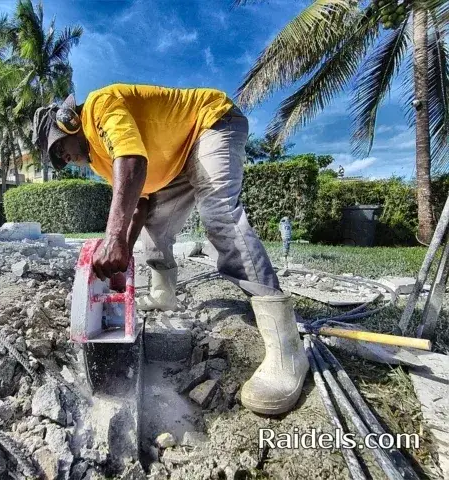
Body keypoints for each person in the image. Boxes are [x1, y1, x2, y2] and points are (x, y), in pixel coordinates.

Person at [32, 84, 308, 416]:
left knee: (219, 214)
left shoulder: (100, 108)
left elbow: (132, 162)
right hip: (176, 164)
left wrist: (114, 239)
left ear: (69, 122)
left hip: (213, 122)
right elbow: (139, 203)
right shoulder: (99, 161)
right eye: (58, 159)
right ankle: (164, 293)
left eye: (59, 147)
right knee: (156, 228)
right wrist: (123, 253)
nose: (64, 158)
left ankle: (287, 348)